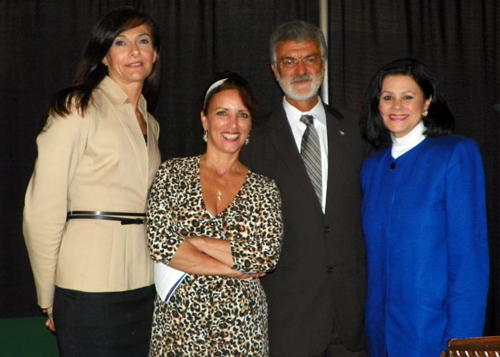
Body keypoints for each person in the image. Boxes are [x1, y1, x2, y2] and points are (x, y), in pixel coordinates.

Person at [22, 6, 161, 356]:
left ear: (154, 53)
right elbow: (42, 210)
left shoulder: (152, 123)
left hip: (145, 286)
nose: (134, 51)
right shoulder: (76, 108)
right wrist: (48, 296)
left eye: (143, 41)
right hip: (87, 287)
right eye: (120, 42)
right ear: (103, 55)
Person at [240, 20, 369, 357]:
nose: (300, 70)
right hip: (288, 321)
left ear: (322, 64)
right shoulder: (252, 141)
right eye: (289, 61)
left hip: (351, 320)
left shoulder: (358, 133)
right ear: (274, 69)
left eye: (310, 59)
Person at [359, 58, 489, 357]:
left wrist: (460, 344)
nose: (396, 106)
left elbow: (469, 261)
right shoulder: (371, 168)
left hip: (434, 335)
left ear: (427, 102)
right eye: (387, 97)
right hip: (380, 336)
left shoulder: (455, 154)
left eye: (408, 96)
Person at [147, 72, 284, 356]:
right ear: (205, 120)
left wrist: (194, 241)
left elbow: (265, 256)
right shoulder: (172, 174)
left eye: (242, 115)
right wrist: (234, 268)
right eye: (222, 113)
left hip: (243, 327)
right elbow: (160, 243)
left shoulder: (264, 189)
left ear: (250, 125)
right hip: (179, 325)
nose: (233, 124)